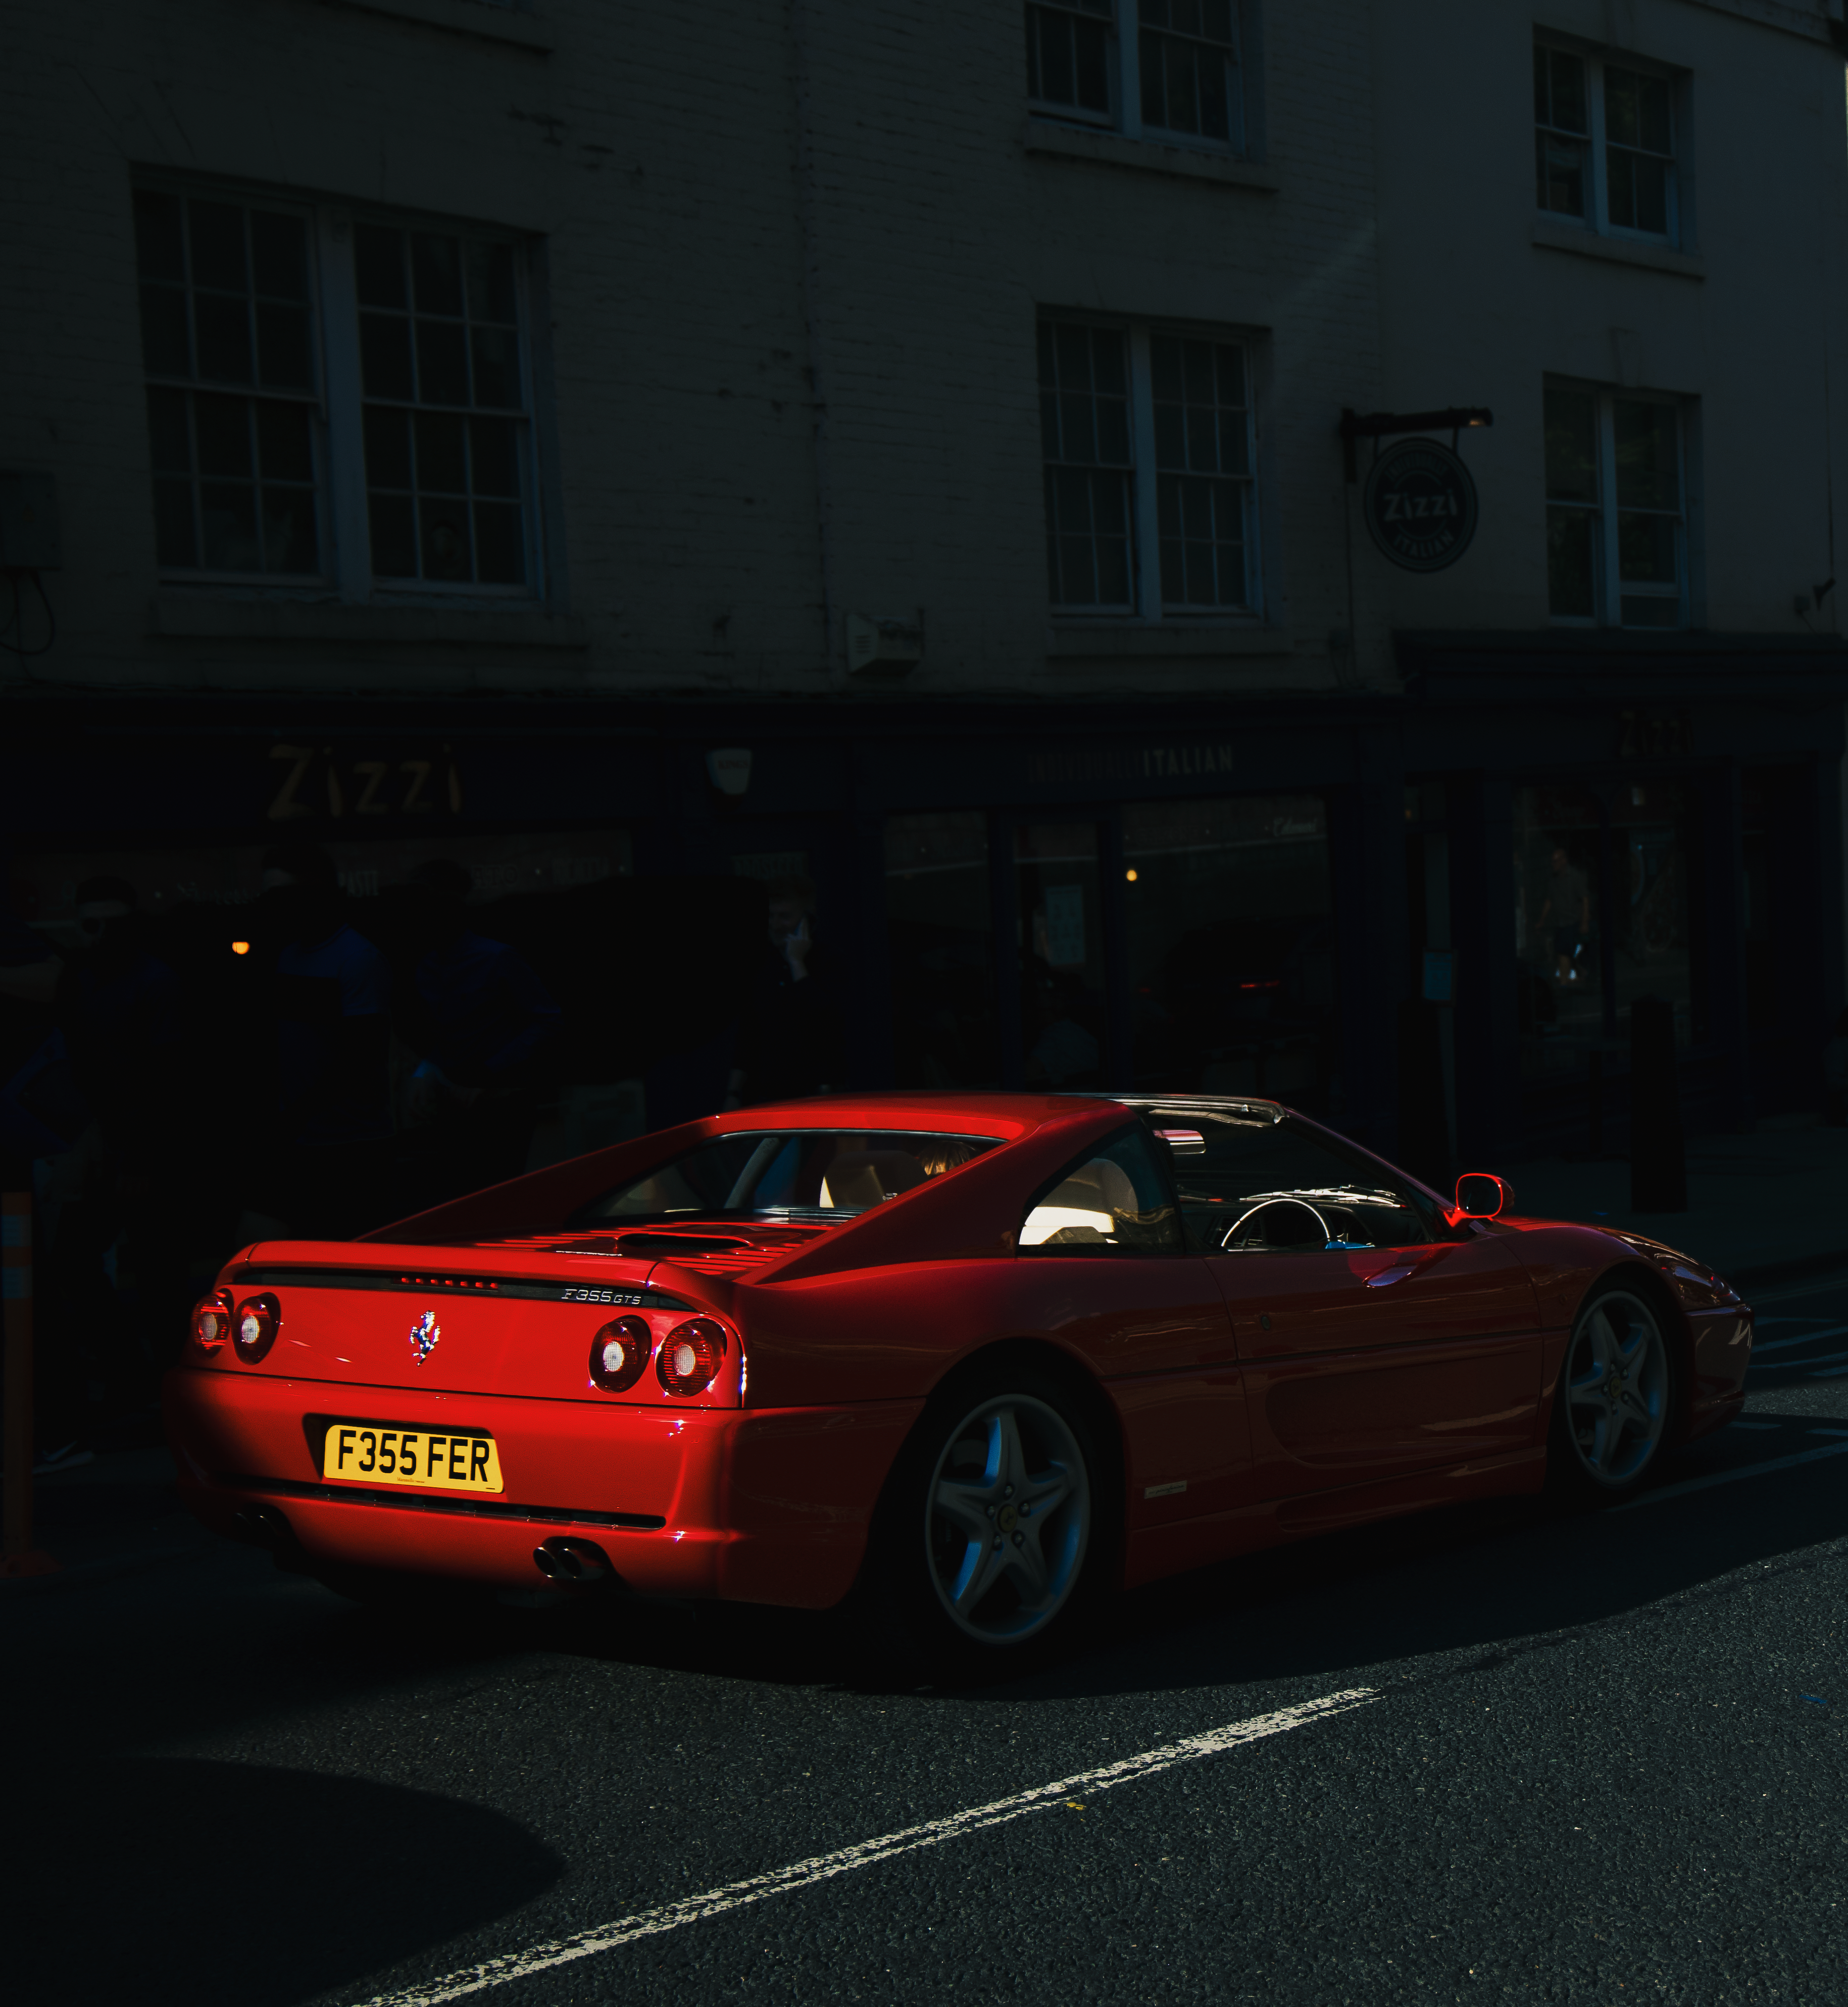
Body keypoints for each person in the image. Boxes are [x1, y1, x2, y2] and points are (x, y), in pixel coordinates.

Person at [247, 844, 391, 1237]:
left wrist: (293, 1117)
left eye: (283, 895)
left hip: (350, 1141)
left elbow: (360, 1055)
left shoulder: (357, 958)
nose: (274, 906)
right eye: (269, 896)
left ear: (316, 894)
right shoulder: (290, 954)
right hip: (301, 1134)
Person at [395, 860, 561, 1193]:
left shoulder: (498, 958)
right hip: (453, 1109)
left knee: (497, 1198)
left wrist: (489, 1073)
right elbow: (446, 1032)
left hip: (503, 1107)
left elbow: (547, 1020)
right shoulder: (427, 966)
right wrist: (425, 1070)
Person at [726, 876, 843, 1107]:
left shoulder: (829, 961)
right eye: (770, 916)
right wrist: (733, 1092)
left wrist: (797, 962)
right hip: (766, 1095)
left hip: (816, 1094)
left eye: (785, 917)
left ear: (807, 918)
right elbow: (749, 1034)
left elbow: (823, 1020)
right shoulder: (760, 965)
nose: (775, 924)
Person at [1538, 844, 1590, 984]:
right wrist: (1542, 919)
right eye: (1552, 861)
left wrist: (1585, 921)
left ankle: (1565, 981)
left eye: (1556, 861)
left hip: (1573, 921)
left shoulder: (1574, 877)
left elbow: (1585, 899)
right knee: (1563, 953)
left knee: (1565, 953)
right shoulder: (1553, 879)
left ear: (1564, 861)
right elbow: (1549, 900)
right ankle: (1568, 979)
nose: (1553, 864)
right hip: (1560, 922)